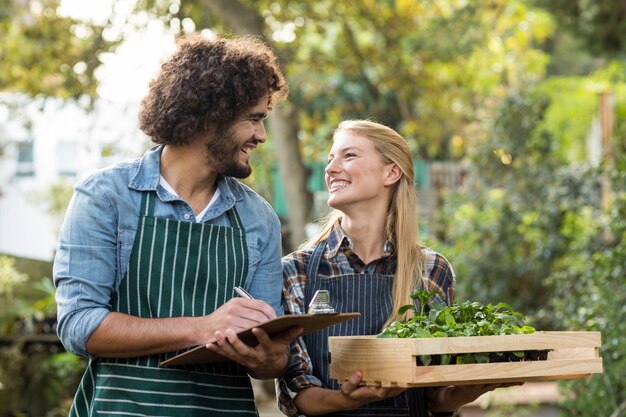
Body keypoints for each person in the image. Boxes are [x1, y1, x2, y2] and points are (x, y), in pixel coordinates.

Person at [53, 34, 302, 416]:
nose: (261, 135)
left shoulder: (258, 218)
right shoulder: (106, 197)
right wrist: (201, 328)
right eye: (253, 118)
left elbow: (268, 357)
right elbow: (80, 326)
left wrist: (271, 359)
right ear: (211, 115)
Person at [277, 120, 517, 416]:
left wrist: (460, 393)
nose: (331, 168)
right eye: (330, 159)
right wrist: (347, 400)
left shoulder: (431, 270)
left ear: (391, 172)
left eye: (348, 156)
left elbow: (434, 398)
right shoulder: (296, 270)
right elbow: (296, 391)